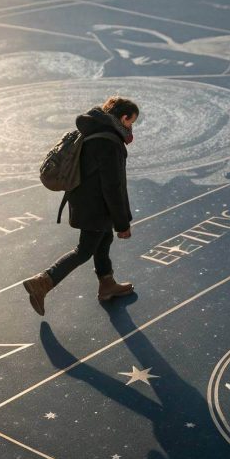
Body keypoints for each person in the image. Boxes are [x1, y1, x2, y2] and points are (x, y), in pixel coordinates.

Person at [23, 96, 139, 316]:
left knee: (104, 239)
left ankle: (107, 285)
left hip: (83, 199)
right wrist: (123, 223)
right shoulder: (109, 142)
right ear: (123, 118)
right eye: (131, 122)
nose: (131, 127)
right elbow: (113, 187)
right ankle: (43, 282)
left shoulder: (92, 129)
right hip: (96, 206)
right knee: (85, 250)